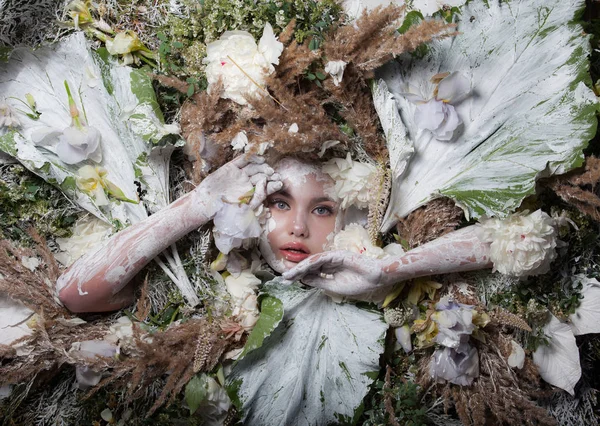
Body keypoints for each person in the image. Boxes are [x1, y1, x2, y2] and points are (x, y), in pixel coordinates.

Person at [57, 153, 492, 313]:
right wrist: (200, 204)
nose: (298, 227)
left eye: (322, 209)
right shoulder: (211, 283)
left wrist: (389, 271)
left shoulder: (370, 261)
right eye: (279, 203)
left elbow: (506, 240)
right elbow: (77, 294)